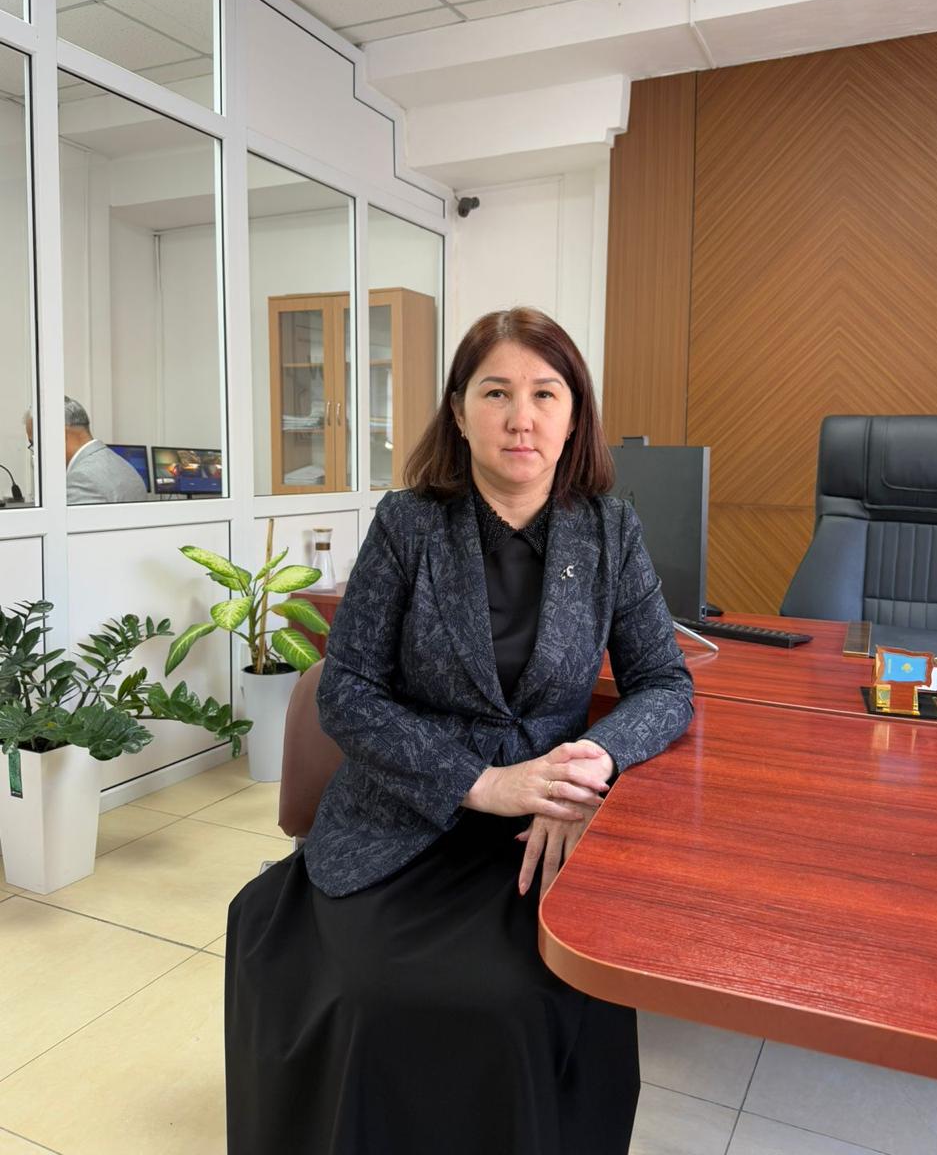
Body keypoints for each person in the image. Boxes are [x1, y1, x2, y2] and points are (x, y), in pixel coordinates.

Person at [224, 308, 694, 1155]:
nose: (522, 418)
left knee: (526, 998)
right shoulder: (409, 524)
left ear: (574, 415)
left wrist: (592, 760)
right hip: (403, 817)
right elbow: (348, 691)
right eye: (496, 392)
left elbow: (665, 683)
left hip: (540, 828)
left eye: (545, 394)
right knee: (375, 994)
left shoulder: (609, 530)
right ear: (460, 410)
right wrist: (477, 783)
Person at [23, 397, 147, 504]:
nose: (35, 452)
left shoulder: (82, 479)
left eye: (34, 443)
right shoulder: (124, 466)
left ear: (59, 435)